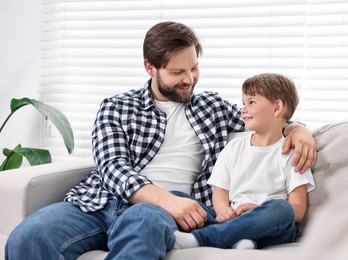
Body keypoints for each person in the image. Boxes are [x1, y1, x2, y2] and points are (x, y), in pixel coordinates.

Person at [5, 22, 316, 260]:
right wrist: (167, 199)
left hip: (167, 212)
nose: (190, 78)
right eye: (177, 71)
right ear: (150, 67)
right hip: (101, 203)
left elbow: (268, 120)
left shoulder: (213, 107)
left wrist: (297, 128)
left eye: (194, 67)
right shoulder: (117, 106)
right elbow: (112, 168)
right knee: (27, 238)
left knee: (142, 221)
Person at [173, 73, 316, 250]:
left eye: (251, 102)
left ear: (277, 108)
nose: (243, 109)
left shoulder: (291, 152)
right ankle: (238, 237)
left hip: (270, 228)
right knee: (176, 197)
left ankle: (204, 238)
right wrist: (223, 211)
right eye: (243, 103)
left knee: (282, 209)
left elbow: (298, 209)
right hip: (233, 216)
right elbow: (220, 191)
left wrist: (257, 211)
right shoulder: (234, 148)